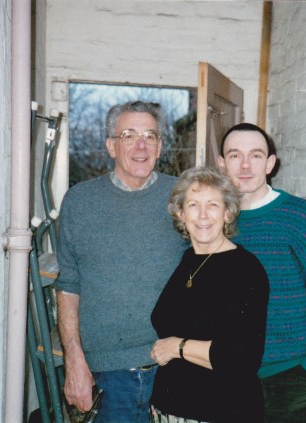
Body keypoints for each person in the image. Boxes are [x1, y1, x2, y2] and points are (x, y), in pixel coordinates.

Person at [217, 123, 306, 423]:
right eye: (235, 155)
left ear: (270, 163)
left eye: (256, 156)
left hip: (295, 382)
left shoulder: (302, 217)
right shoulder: (212, 222)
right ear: (221, 163)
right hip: (229, 379)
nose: (245, 165)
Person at [55, 100, 188, 422]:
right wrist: (74, 361)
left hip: (175, 366)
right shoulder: (80, 201)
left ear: (160, 146)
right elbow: (68, 287)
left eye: (150, 136)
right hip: (107, 374)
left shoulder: (184, 198)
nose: (141, 146)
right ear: (111, 146)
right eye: (128, 135)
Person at [149, 166, 269, 423]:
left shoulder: (245, 269)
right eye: (193, 205)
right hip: (169, 409)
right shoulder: (188, 259)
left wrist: (176, 347)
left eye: (213, 205)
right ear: (181, 214)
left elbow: (241, 359)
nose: (203, 215)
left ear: (228, 213)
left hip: (221, 412)